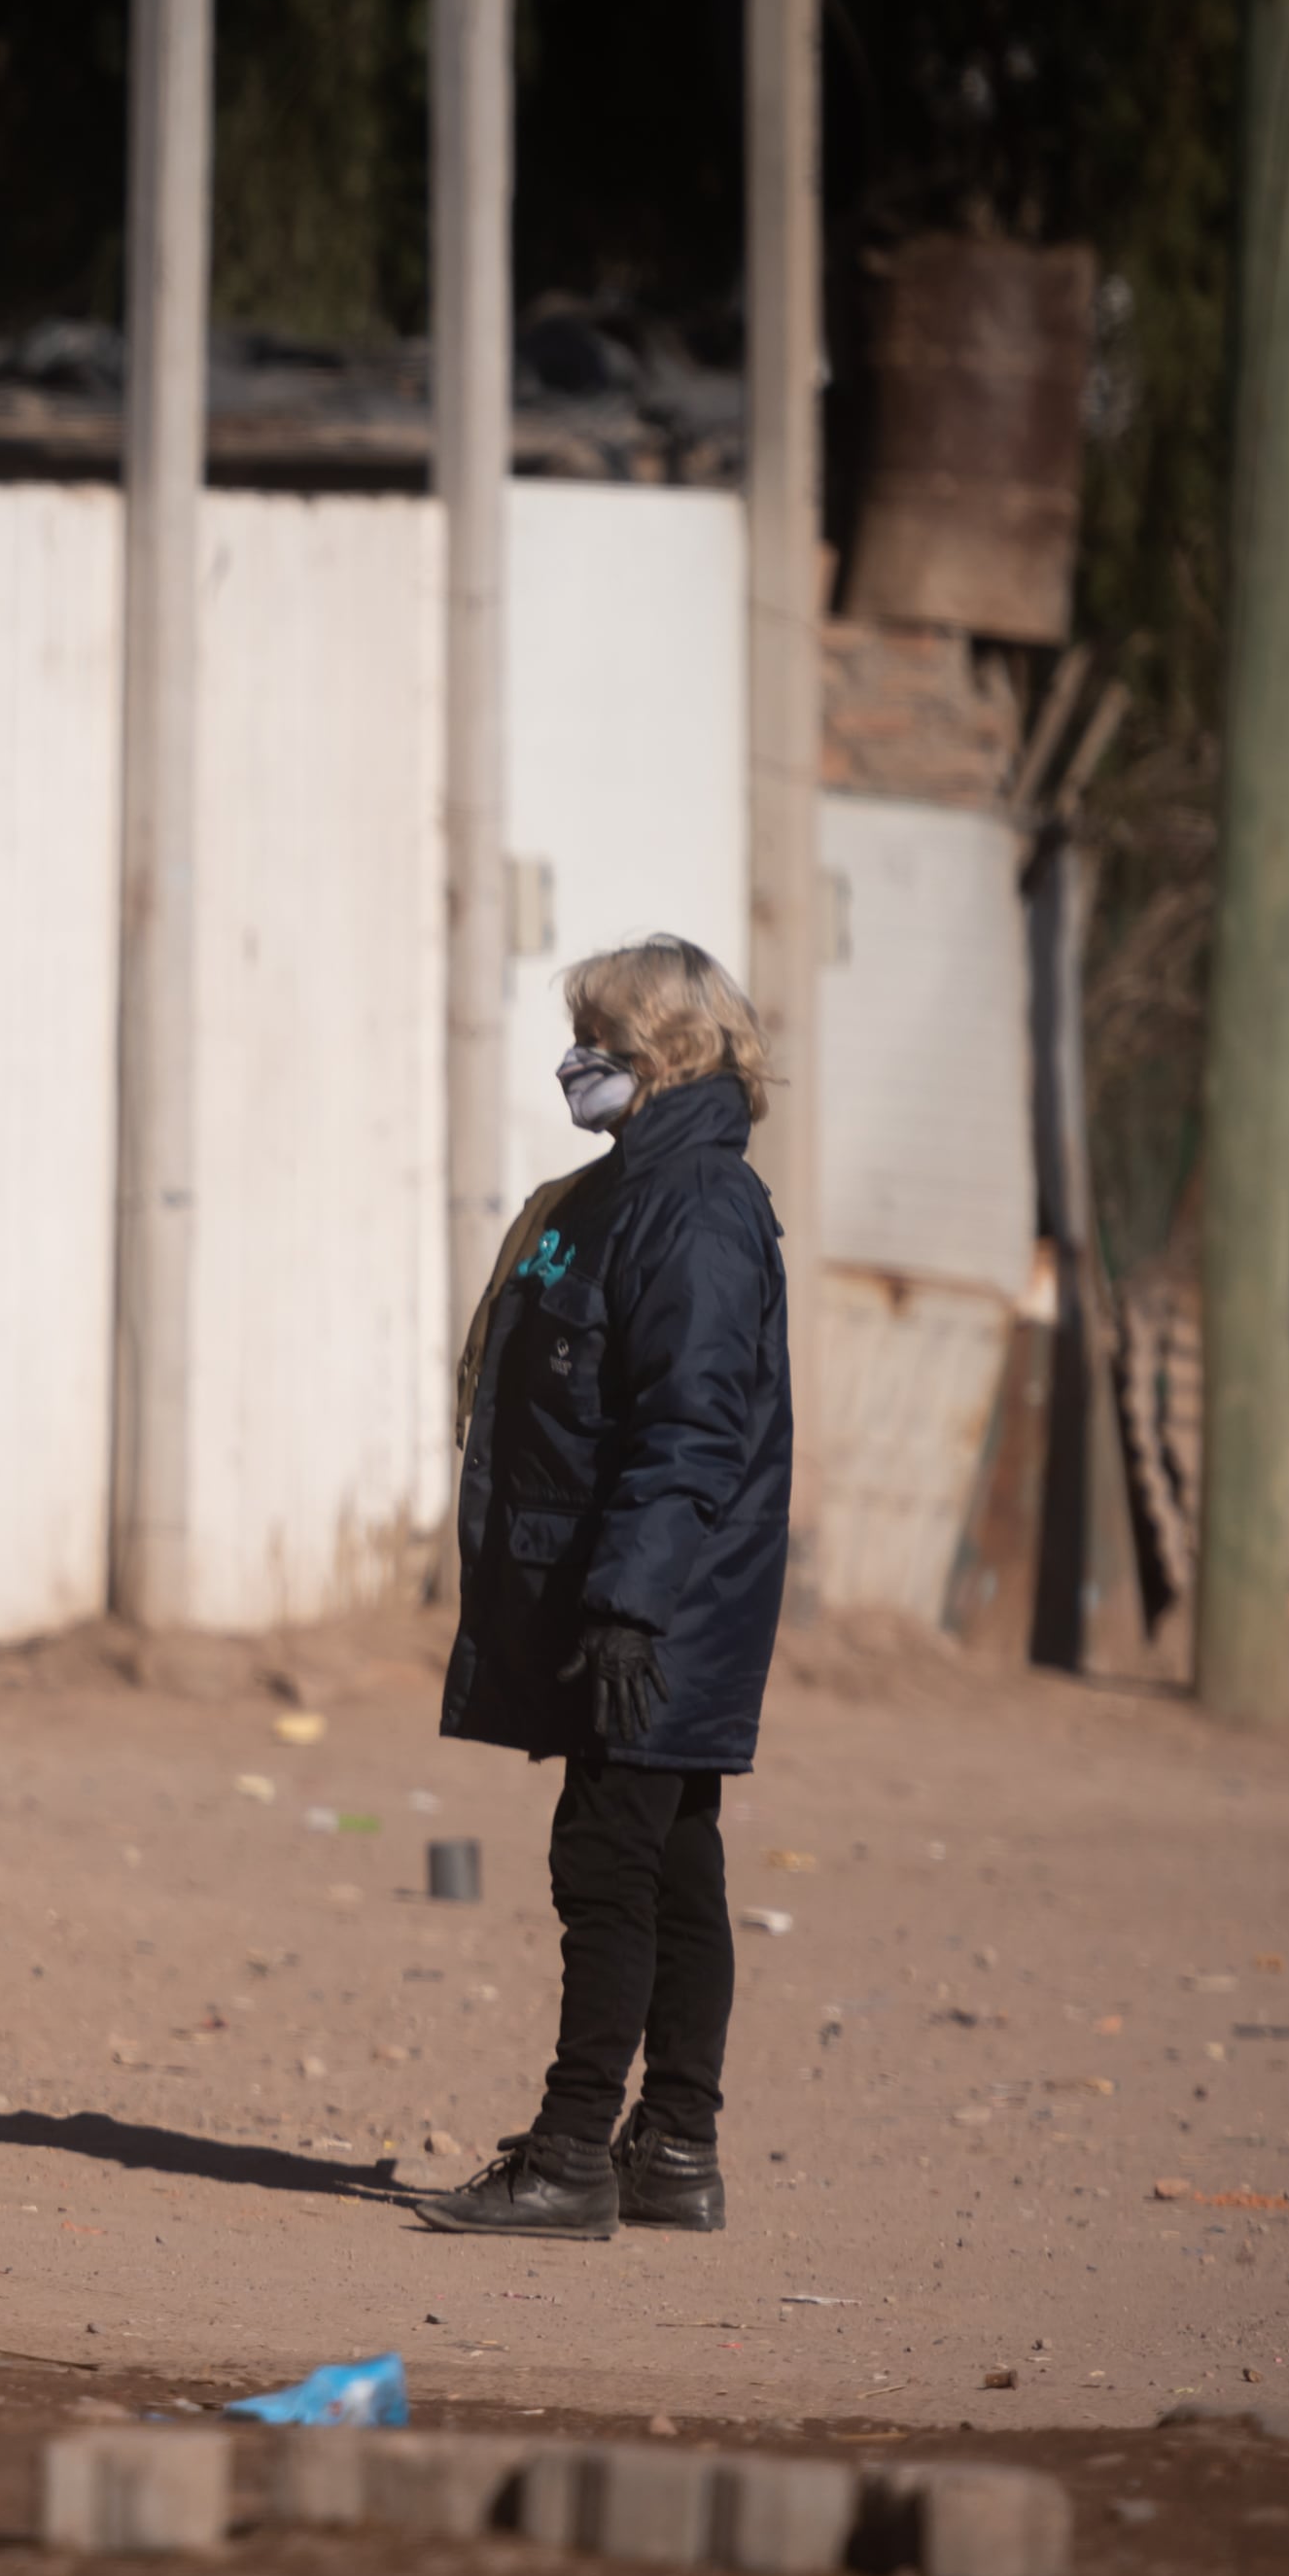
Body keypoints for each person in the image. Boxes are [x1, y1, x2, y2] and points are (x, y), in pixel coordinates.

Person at [413, 936, 794, 2242]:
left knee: (608, 1862)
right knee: (676, 1862)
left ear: (675, 1054)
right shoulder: (629, 1191)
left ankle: (574, 2151)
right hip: (649, 1589)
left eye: (606, 1041)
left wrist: (630, 1606)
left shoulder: (693, 1208)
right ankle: (675, 2148)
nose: (578, 1061)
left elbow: (691, 1428)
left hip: (663, 1601)